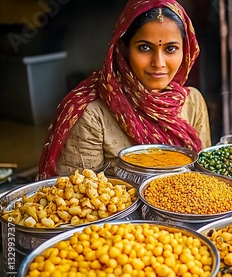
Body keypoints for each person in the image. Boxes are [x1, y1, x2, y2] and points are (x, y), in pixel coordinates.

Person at [38, 0, 211, 179]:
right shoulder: (92, 115)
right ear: (123, 49)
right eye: (144, 48)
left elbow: (205, 174)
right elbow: (78, 196)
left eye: (171, 49)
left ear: (186, 51)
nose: (158, 63)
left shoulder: (192, 102)